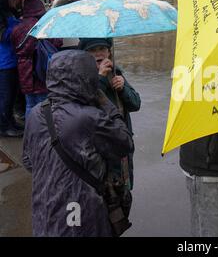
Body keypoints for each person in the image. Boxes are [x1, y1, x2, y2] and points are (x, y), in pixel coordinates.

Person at [23, 50, 134, 236]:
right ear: (86, 77)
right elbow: (125, 143)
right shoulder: (88, 117)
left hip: (45, 211)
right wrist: (106, 103)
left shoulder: (35, 113)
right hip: (82, 215)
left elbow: (28, 160)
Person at [78, 38, 141, 190]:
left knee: (124, 187)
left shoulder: (116, 73)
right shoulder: (82, 78)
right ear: (85, 55)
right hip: (100, 148)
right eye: (93, 50)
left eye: (102, 49)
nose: (98, 53)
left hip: (122, 143)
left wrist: (123, 88)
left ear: (109, 52)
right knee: (104, 190)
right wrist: (100, 78)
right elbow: (86, 106)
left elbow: (135, 104)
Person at [11, 0, 62, 118]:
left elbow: (15, 47)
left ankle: (30, 131)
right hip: (40, 68)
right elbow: (57, 43)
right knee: (44, 104)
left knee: (30, 104)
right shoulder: (44, 25)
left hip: (23, 69)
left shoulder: (17, 27)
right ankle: (44, 132)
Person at [0, 0, 26, 137]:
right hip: (3, 62)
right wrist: (18, 27)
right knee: (5, 96)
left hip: (12, 59)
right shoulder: (1, 13)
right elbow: (2, 35)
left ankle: (10, 121)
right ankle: (4, 127)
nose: (19, 1)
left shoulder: (9, 11)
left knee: (12, 95)